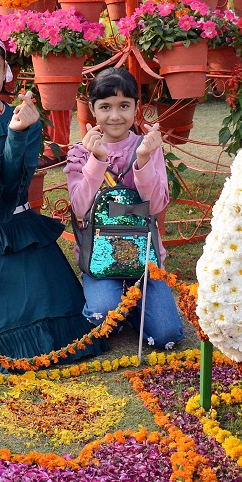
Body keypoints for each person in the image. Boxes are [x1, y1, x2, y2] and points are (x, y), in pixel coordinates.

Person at [0, 29, 101, 370]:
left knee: (63, 328)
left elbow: (13, 192)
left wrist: (16, 134)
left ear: (5, 70)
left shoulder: (24, 119)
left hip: (22, 230)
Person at [66, 68, 184, 351]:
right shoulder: (80, 152)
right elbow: (81, 207)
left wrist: (142, 160)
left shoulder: (148, 147)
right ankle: (119, 304)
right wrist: (97, 160)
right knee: (102, 318)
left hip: (145, 258)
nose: (115, 116)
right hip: (100, 258)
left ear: (135, 109)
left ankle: (135, 305)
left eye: (124, 106)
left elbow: (155, 206)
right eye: (105, 106)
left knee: (167, 335)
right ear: (92, 110)